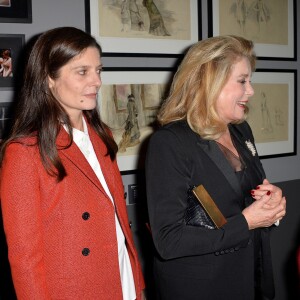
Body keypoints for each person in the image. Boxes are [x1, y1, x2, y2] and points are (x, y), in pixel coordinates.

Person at [0, 27, 145, 300]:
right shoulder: (24, 153)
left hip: (121, 281)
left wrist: (138, 286)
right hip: (75, 290)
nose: (97, 81)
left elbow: (120, 227)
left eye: (98, 70)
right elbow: (25, 259)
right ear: (48, 79)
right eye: (82, 72)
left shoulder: (103, 138)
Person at [145, 35, 286, 300]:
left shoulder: (241, 131)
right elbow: (168, 240)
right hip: (202, 289)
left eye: (250, 81)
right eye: (242, 81)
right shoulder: (170, 143)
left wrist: (271, 203)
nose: (251, 91)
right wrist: (246, 222)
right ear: (211, 82)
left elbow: (250, 197)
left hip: (251, 280)